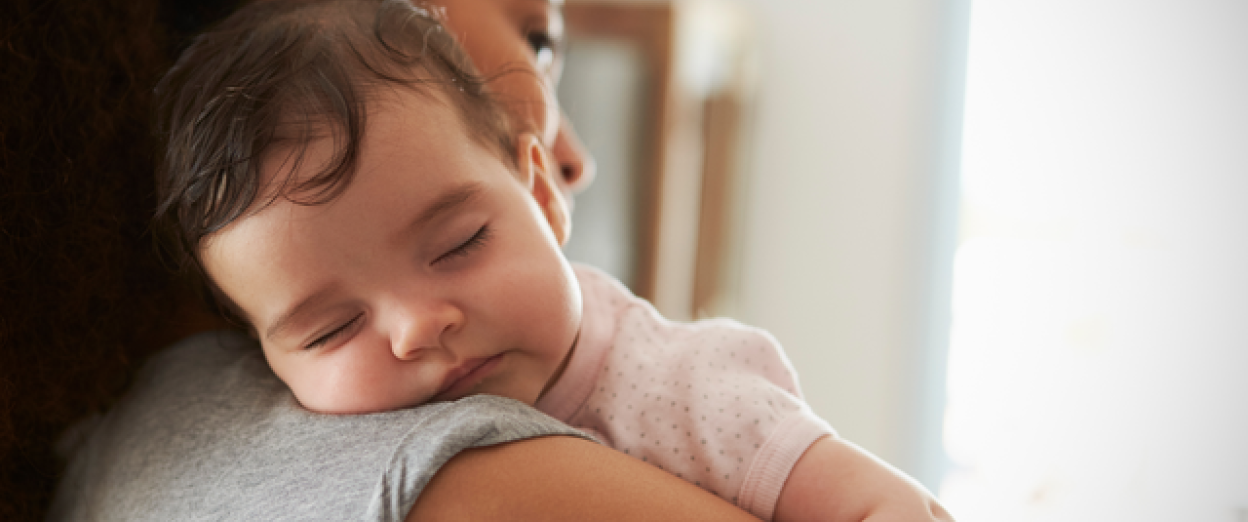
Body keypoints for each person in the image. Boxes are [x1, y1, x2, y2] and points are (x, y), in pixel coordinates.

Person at [135, 1, 954, 521]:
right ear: (262, 356)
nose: (418, 327)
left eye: (459, 244)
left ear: (542, 192)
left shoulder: (689, 388)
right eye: (331, 330)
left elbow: (884, 506)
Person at [41, 0, 759, 520]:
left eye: (457, 244)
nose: (576, 159)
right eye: (537, 43)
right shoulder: (472, 480)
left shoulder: (109, 439)